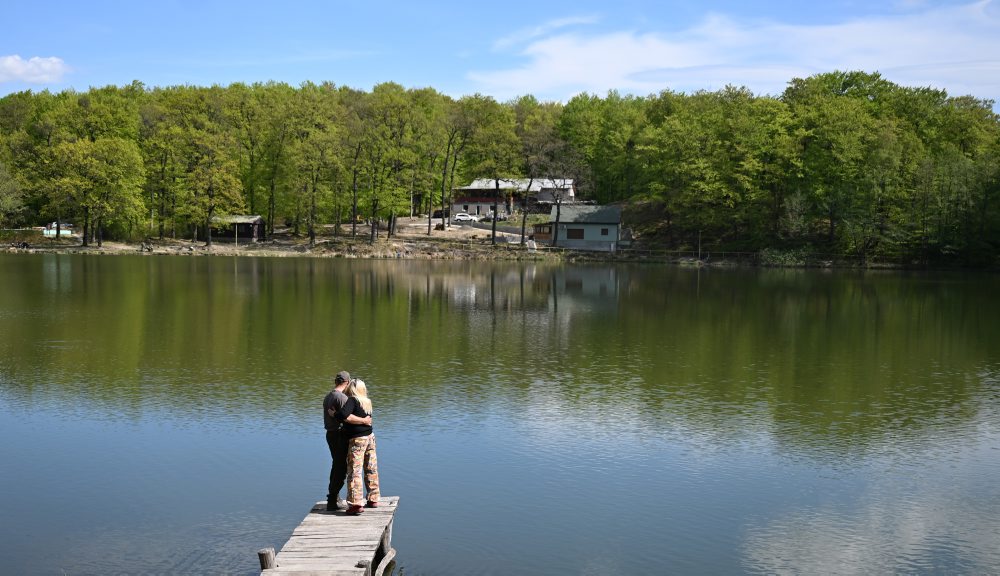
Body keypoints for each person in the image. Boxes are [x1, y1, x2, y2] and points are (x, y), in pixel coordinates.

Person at [323, 371, 371, 511]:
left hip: (331, 434)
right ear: (347, 382)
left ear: (336, 381)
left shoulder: (329, 396)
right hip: (339, 436)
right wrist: (365, 420)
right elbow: (347, 417)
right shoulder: (343, 398)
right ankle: (332, 499)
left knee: (337, 466)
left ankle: (333, 497)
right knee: (341, 468)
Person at [337, 378, 380, 515]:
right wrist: (363, 421)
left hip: (358, 440)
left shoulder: (352, 400)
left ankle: (355, 504)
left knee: (354, 470)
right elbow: (366, 420)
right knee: (370, 468)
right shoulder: (367, 402)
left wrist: (334, 414)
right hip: (370, 437)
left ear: (353, 388)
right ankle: (373, 499)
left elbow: (343, 415)